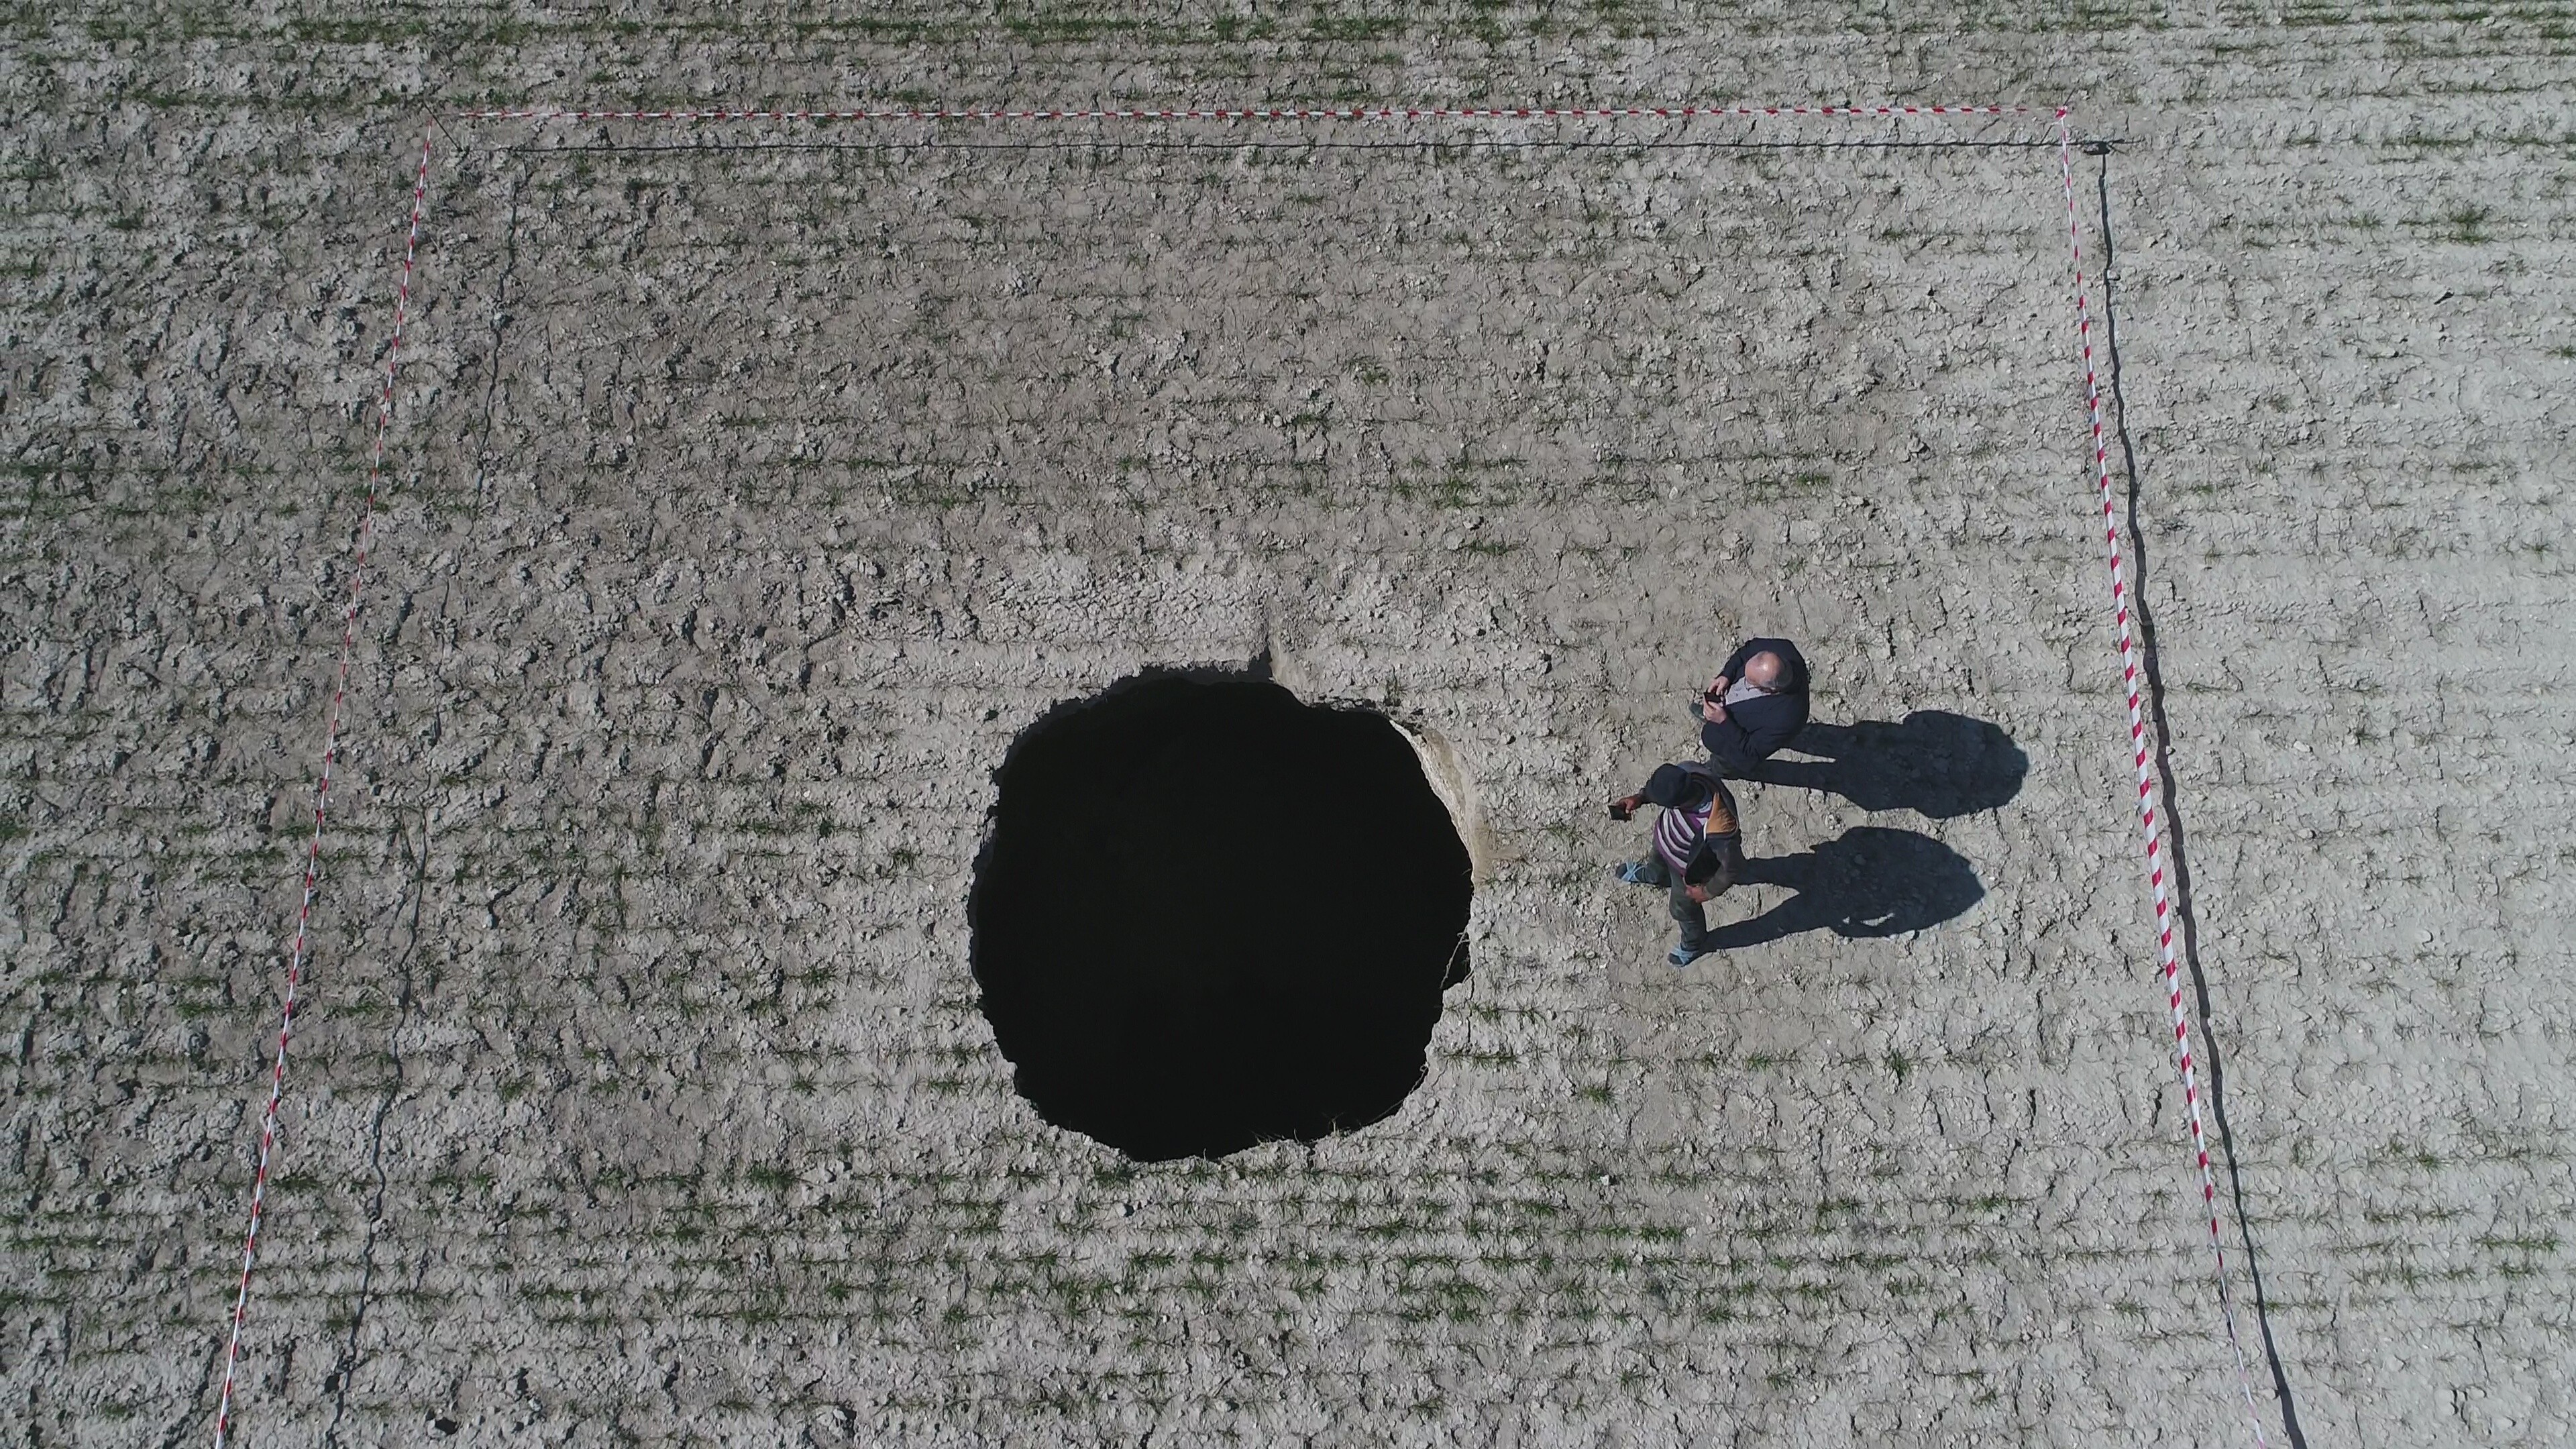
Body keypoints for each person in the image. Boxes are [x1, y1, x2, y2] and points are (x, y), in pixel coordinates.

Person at [1608, 763, 1744, 967]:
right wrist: (1640, 798)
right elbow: (1659, 789)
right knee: (1655, 869)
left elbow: (1732, 867)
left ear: (1679, 804)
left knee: (1682, 910)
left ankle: (1694, 943)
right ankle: (1654, 876)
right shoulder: (1687, 774)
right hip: (1665, 844)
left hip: (1686, 872)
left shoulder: (1718, 827)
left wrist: (1706, 892)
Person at [1699, 637, 1811, 775]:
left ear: (1771, 690)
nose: (1743, 682)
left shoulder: (1788, 719)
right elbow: (1746, 651)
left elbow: (1752, 750)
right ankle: (1708, 716)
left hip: (1733, 747)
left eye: (1750, 682)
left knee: (1726, 763)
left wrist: (1723, 722)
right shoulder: (1782, 648)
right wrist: (1726, 675)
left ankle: (1717, 770)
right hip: (1729, 709)